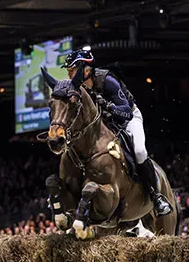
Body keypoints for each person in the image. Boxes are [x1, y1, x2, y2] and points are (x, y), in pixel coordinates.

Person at [62, 49, 172, 216]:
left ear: (85, 69)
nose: (69, 75)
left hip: (128, 120)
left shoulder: (107, 80)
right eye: (68, 71)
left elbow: (126, 112)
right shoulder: (77, 88)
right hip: (104, 124)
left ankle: (156, 196)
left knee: (140, 152)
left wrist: (107, 105)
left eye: (72, 70)